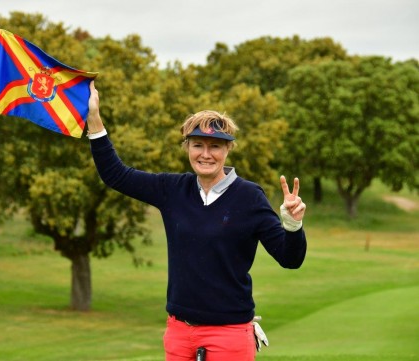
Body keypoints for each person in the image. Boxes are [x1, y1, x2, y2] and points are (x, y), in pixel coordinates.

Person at [86, 81, 307, 361]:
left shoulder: (249, 196)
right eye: (198, 145)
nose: (206, 154)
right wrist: (94, 118)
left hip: (229, 334)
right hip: (179, 332)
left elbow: (290, 258)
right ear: (187, 147)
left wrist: (292, 225)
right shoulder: (173, 189)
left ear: (228, 150)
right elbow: (116, 175)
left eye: (215, 146)